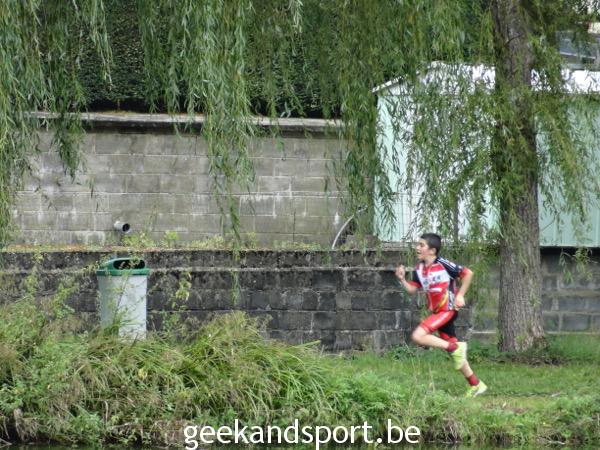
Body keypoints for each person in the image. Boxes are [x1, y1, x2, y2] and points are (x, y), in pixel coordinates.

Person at [395, 233, 487, 397]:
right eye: (418, 244)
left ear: (432, 250)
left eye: (421, 245)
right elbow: (412, 290)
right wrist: (402, 279)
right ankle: (476, 384)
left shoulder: (443, 264)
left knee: (418, 336)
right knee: (456, 355)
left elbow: (468, 273)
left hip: (448, 310)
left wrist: (460, 295)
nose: (417, 247)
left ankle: (455, 348)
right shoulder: (419, 269)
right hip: (437, 312)